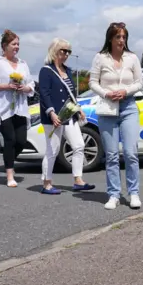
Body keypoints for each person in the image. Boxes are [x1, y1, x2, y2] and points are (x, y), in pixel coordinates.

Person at [89, 22, 143, 210]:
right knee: (111, 155)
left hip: (128, 107)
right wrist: (106, 93)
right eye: (118, 37)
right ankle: (114, 194)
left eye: (124, 37)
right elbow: (92, 83)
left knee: (130, 152)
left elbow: (139, 83)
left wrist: (125, 91)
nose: (121, 40)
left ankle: (133, 193)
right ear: (110, 39)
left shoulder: (132, 58)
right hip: (108, 108)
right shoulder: (100, 58)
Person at [38, 38, 95, 194]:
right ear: (55, 50)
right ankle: (47, 183)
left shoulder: (68, 71)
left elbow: (71, 94)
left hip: (69, 115)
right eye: (63, 50)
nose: (66, 54)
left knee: (79, 145)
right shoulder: (46, 70)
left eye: (68, 51)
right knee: (53, 150)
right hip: (54, 117)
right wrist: (51, 113)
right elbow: (44, 93)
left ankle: (78, 180)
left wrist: (78, 109)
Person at [0, 29, 35, 187]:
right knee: (10, 139)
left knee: (22, 141)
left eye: (18, 44)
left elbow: (31, 83)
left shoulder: (23, 64)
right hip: (4, 108)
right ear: (5, 46)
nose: (17, 46)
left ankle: (8, 158)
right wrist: (7, 86)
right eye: (13, 44)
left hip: (20, 107)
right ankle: (10, 174)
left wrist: (24, 88)